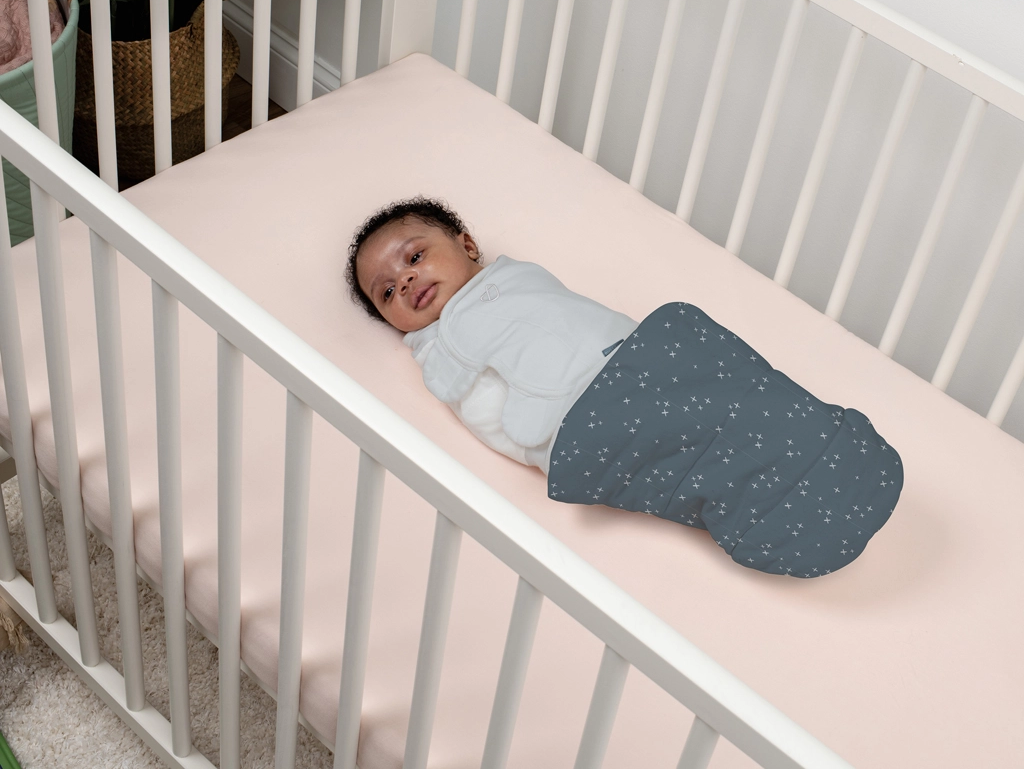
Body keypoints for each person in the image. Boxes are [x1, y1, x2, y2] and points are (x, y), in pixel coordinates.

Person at [346, 197, 903, 578]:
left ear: (468, 244)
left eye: (414, 256)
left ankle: (824, 442)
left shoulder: (515, 279)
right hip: (586, 419)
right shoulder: (439, 353)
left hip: (640, 356)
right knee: (693, 444)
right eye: (387, 292)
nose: (406, 280)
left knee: (733, 391)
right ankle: (778, 510)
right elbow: (491, 415)